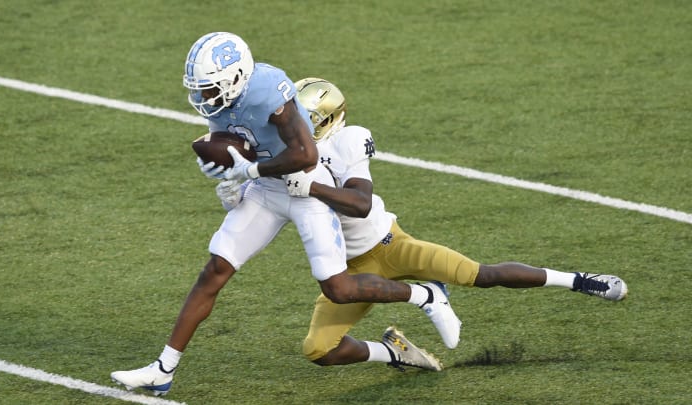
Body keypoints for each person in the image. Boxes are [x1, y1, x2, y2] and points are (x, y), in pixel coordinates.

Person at [111, 33, 458, 397]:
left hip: (305, 186)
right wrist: (228, 177)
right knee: (215, 269)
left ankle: (424, 296)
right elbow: (232, 140)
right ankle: (163, 369)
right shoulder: (224, 101)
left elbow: (305, 154)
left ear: (235, 79)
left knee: (337, 288)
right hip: (266, 189)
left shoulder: (267, 90)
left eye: (211, 89)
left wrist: (249, 171)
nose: (204, 98)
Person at [220, 77, 628, 369]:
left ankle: (578, 279)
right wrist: (239, 189)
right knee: (319, 350)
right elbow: (264, 190)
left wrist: (309, 188)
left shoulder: (346, 141)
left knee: (479, 274)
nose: (290, 127)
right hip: (347, 271)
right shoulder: (286, 151)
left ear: (323, 120)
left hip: (389, 246)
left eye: (300, 120)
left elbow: (360, 203)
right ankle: (395, 352)